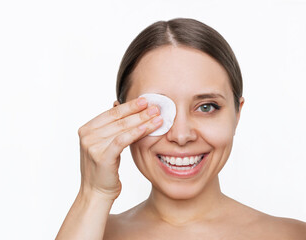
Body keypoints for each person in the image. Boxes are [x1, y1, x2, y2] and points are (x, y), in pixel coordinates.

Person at [56, 18, 306, 239]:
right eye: (157, 109)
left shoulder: (293, 235)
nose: (181, 135)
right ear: (119, 118)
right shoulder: (90, 232)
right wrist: (94, 193)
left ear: (237, 113)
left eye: (206, 107)